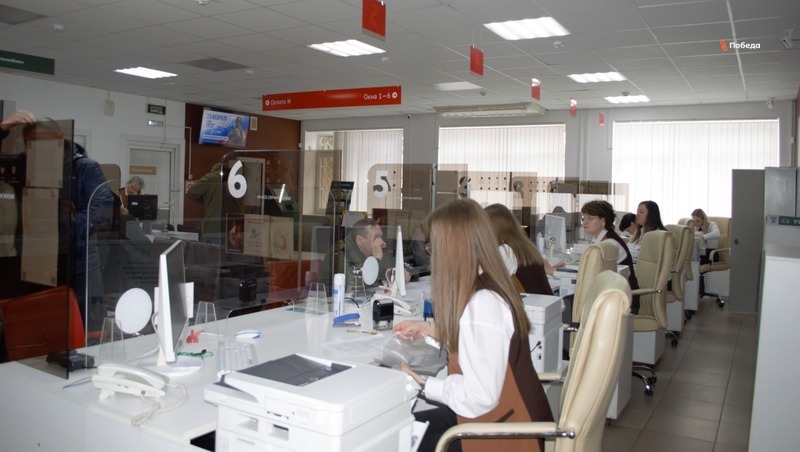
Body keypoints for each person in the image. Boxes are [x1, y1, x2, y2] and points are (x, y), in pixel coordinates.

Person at [393, 198, 553, 452]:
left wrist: (421, 384)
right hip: (500, 418)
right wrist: (432, 329)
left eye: (433, 246)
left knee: (395, 438)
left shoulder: (483, 304)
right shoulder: (488, 285)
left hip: (496, 434)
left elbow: (479, 397)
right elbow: (484, 342)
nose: (432, 254)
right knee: (400, 429)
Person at [24, 119, 114, 332]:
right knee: (46, 330)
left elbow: (102, 213)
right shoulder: (28, 166)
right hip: (38, 265)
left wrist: (58, 228)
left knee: (86, 331)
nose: (36, 148)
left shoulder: (84, 168)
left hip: (80, 267)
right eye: (30, 143)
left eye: (42, 141)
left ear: (58, 139)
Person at [580, 200, 640, 311]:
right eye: (584, 218)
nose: (585, 222)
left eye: (590, 218)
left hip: (622, 302)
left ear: (603, 221)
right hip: (613, 296)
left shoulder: (610, 244)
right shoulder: (603, 239)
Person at [320, 217, 409, 291]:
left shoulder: (371, 251)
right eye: (377, 238)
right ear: (360, 240)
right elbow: (353, 284)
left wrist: (401, 273)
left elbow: (399, 266)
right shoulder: (339, 252)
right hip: (333, 302)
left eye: (381, 236)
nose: (382, 243)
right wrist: (376, 259)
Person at [485, 203, 553, 295]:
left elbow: (488, 282)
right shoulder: (526, 246)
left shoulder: (505, 251)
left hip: (528, 303)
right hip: (545, 301)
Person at [187, 154, 241, 244]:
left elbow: (192, 191)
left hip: (214, 228)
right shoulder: (240, 179)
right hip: (234, 228)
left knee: (212, 252)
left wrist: (208, 200)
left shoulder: (213, 178)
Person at [691, 208, 721, 295]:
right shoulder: (695, 227)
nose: (696, 223)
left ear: (703, 219)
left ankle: (698, 291)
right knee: (691, 261)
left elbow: (717, 234)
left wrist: (703, 236)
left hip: (712, 254)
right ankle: (696, 291)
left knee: (695, 263)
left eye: (698, 221)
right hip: (700, 253)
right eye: (694, 221)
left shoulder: (712, 224)